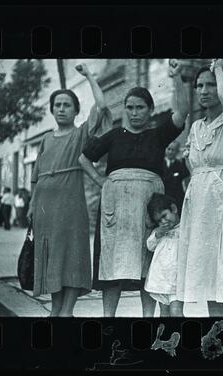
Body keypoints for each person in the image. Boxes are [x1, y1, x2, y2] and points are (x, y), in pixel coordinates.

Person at [78, 59, 189, 317]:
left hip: (147, 207)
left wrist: (177, 78)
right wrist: (102, 181)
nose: (134, 112)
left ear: (150, 110)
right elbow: (84, 158)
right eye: (129, 108)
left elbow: (182, 113)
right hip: (116, 209)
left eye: (140, 107)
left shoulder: (157, 136)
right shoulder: (115, 136)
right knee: (111, 267)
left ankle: (147, 320)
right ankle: (108, 319)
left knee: (148, 263)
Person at [26, 63, 110, 317]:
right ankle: (56, 309)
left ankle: (68, 310)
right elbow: (34, 178)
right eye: (57, 105)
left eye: (67, 105)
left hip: (71, 206)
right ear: (52, 110)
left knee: (71, 253)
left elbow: (102, 106)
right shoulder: (45, 139)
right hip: (44, 208)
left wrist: (89, 76)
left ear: (75, 110)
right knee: (52, 256)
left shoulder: (80, 134)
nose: (61, 109)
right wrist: (31, 205)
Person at [176, 59, 223, 317]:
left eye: (210, 85)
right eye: (199, 85)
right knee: (208, 274)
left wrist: (218, 67)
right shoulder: (196, 127)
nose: (204, 90)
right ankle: (216, 336)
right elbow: (194, 167)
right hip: (200, 203)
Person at [144, 193, 184, 317]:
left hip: (177, 280)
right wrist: (158, 233)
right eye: (159, 220)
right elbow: (150, 246)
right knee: (164, 312)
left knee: (176, 312)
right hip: (162, 280)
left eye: (164, 216)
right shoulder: (159, 232)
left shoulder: (184, 228)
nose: (163, 221)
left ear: (174, 209)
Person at [162, 141, 190, 213]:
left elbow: (185, 174)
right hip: (164, 194)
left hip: (176, 196)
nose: (170, 152)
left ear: (177, 152)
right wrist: (173, 175)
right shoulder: (160, 163)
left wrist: (183, 160)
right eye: (169, 149)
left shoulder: (179, 164)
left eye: (173, 150)